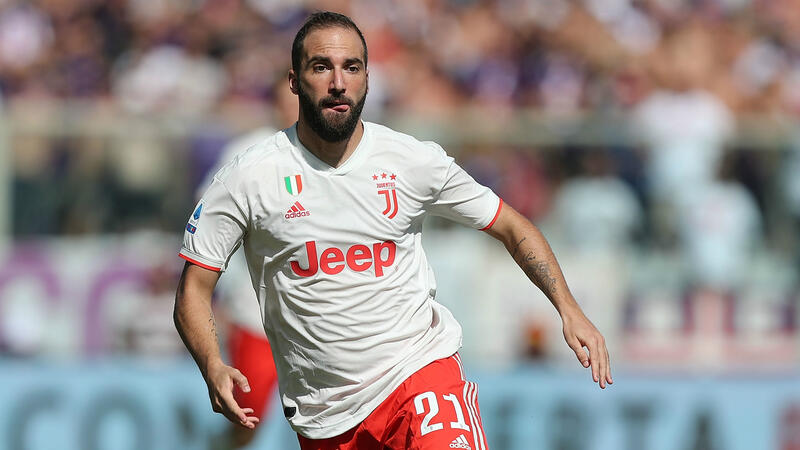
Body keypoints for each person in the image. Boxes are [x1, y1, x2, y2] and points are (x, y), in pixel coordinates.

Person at [174, 11, 612, 450]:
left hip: (419, 375)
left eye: (352, 68)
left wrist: (568, 307)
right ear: (294, 81)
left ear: (368, 79)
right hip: (326, 414)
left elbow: (513, 227)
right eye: (322, 67)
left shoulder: (411, 160)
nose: (338, 83)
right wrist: (212, 363)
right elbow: (193, 288)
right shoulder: (248, 176)